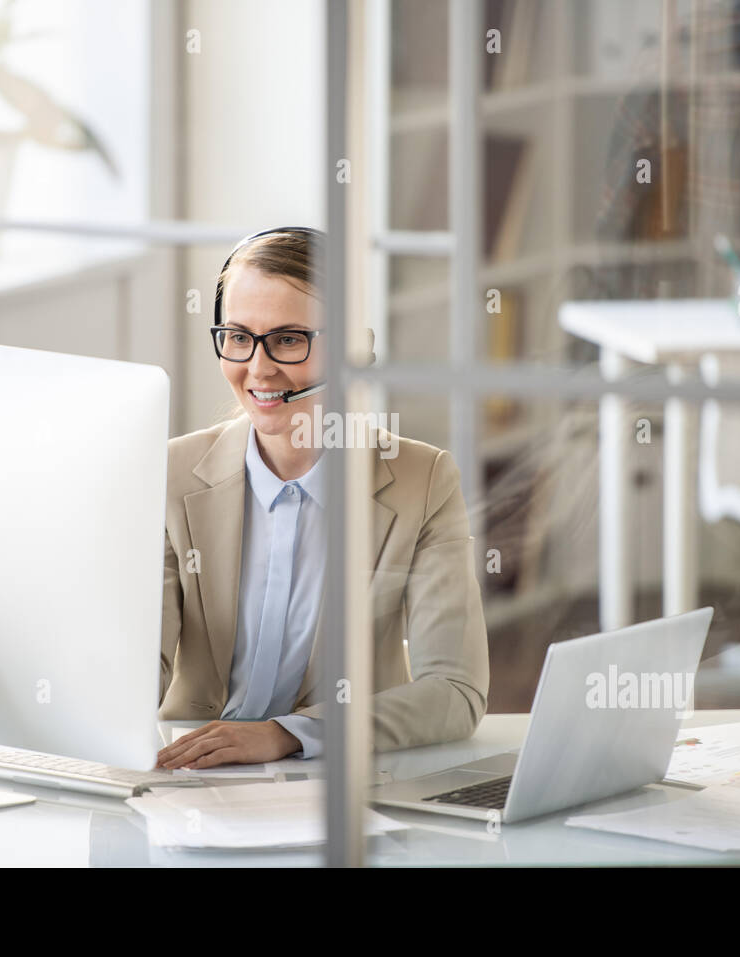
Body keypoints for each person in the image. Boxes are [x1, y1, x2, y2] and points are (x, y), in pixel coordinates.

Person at [155, 227, 489, 769]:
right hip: (193, 774)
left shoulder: (422, 481)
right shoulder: (172, 475)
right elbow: (139, 665)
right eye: (239, 337)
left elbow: (455, 691)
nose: (259, 369)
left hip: (337, 780)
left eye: (289, 339)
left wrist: (288, 734)